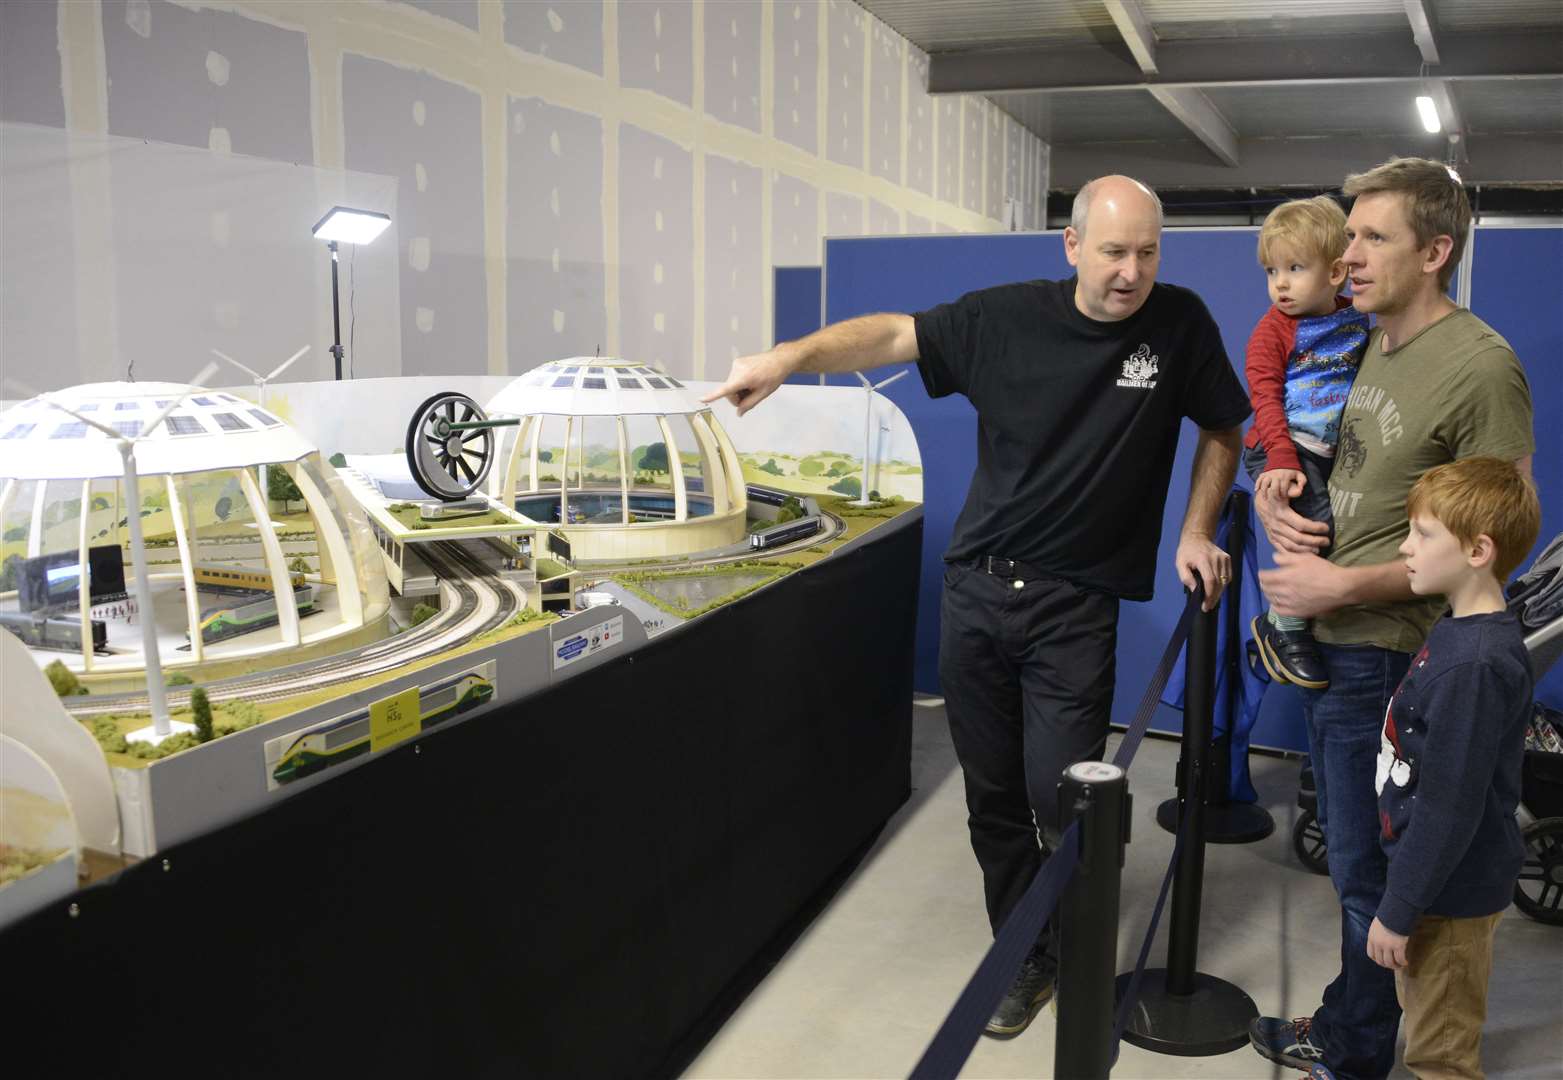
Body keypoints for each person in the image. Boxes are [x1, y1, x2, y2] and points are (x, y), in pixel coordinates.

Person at [702, 175, 1250, 1038]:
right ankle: (1026, 950)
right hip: (978, 591)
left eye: (1146, 252)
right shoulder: (1003, 317)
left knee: (1064, 792)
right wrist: (785, 358)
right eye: (1112, 251)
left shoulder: (1177, 324)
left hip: (1076, 605)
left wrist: (1194, 527)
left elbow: (1226, 425)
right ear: (1071, 246)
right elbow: (891, 332)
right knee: (992, 795)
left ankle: (1076, 930)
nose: (1130, 272)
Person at [1248, 158, 1535, 1078]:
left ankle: (1356, 1049)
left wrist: (1343, 588)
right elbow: (1339, 459)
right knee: (1351, 874)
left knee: (1367, 883)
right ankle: (1352, 1029)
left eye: (1374, 239)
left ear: (1436, 251)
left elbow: (1504, 529)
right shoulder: (1366, 339)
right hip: (1333, 641)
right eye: (1350, 234)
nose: (1348, 256)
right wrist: (1274, 493)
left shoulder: (1481, 365)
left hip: (1385, 653)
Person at [1365, 457, 1540, 1079]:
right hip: (1436, 886)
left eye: (1422, 533)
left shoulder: (1475, 665)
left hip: (1449, 895)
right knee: (1427, 1027)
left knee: (1439, 1054)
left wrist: (1399, 906)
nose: (1406, 547)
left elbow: (1450, 804)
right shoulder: (1461, 632)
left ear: (1478, 550)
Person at [1243, 196, 1369, 691]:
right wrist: (1280, 459)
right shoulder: (1272, 331)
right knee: (1314, 524)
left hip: (1324, 447)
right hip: (1281, 443)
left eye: (1295, 268)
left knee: (1338, 529)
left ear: (1337, 271)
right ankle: (1284, 626)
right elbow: (1264, 397)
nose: (1281, 283)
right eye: (1272, 270)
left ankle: (1294, 617)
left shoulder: (1356, 319)